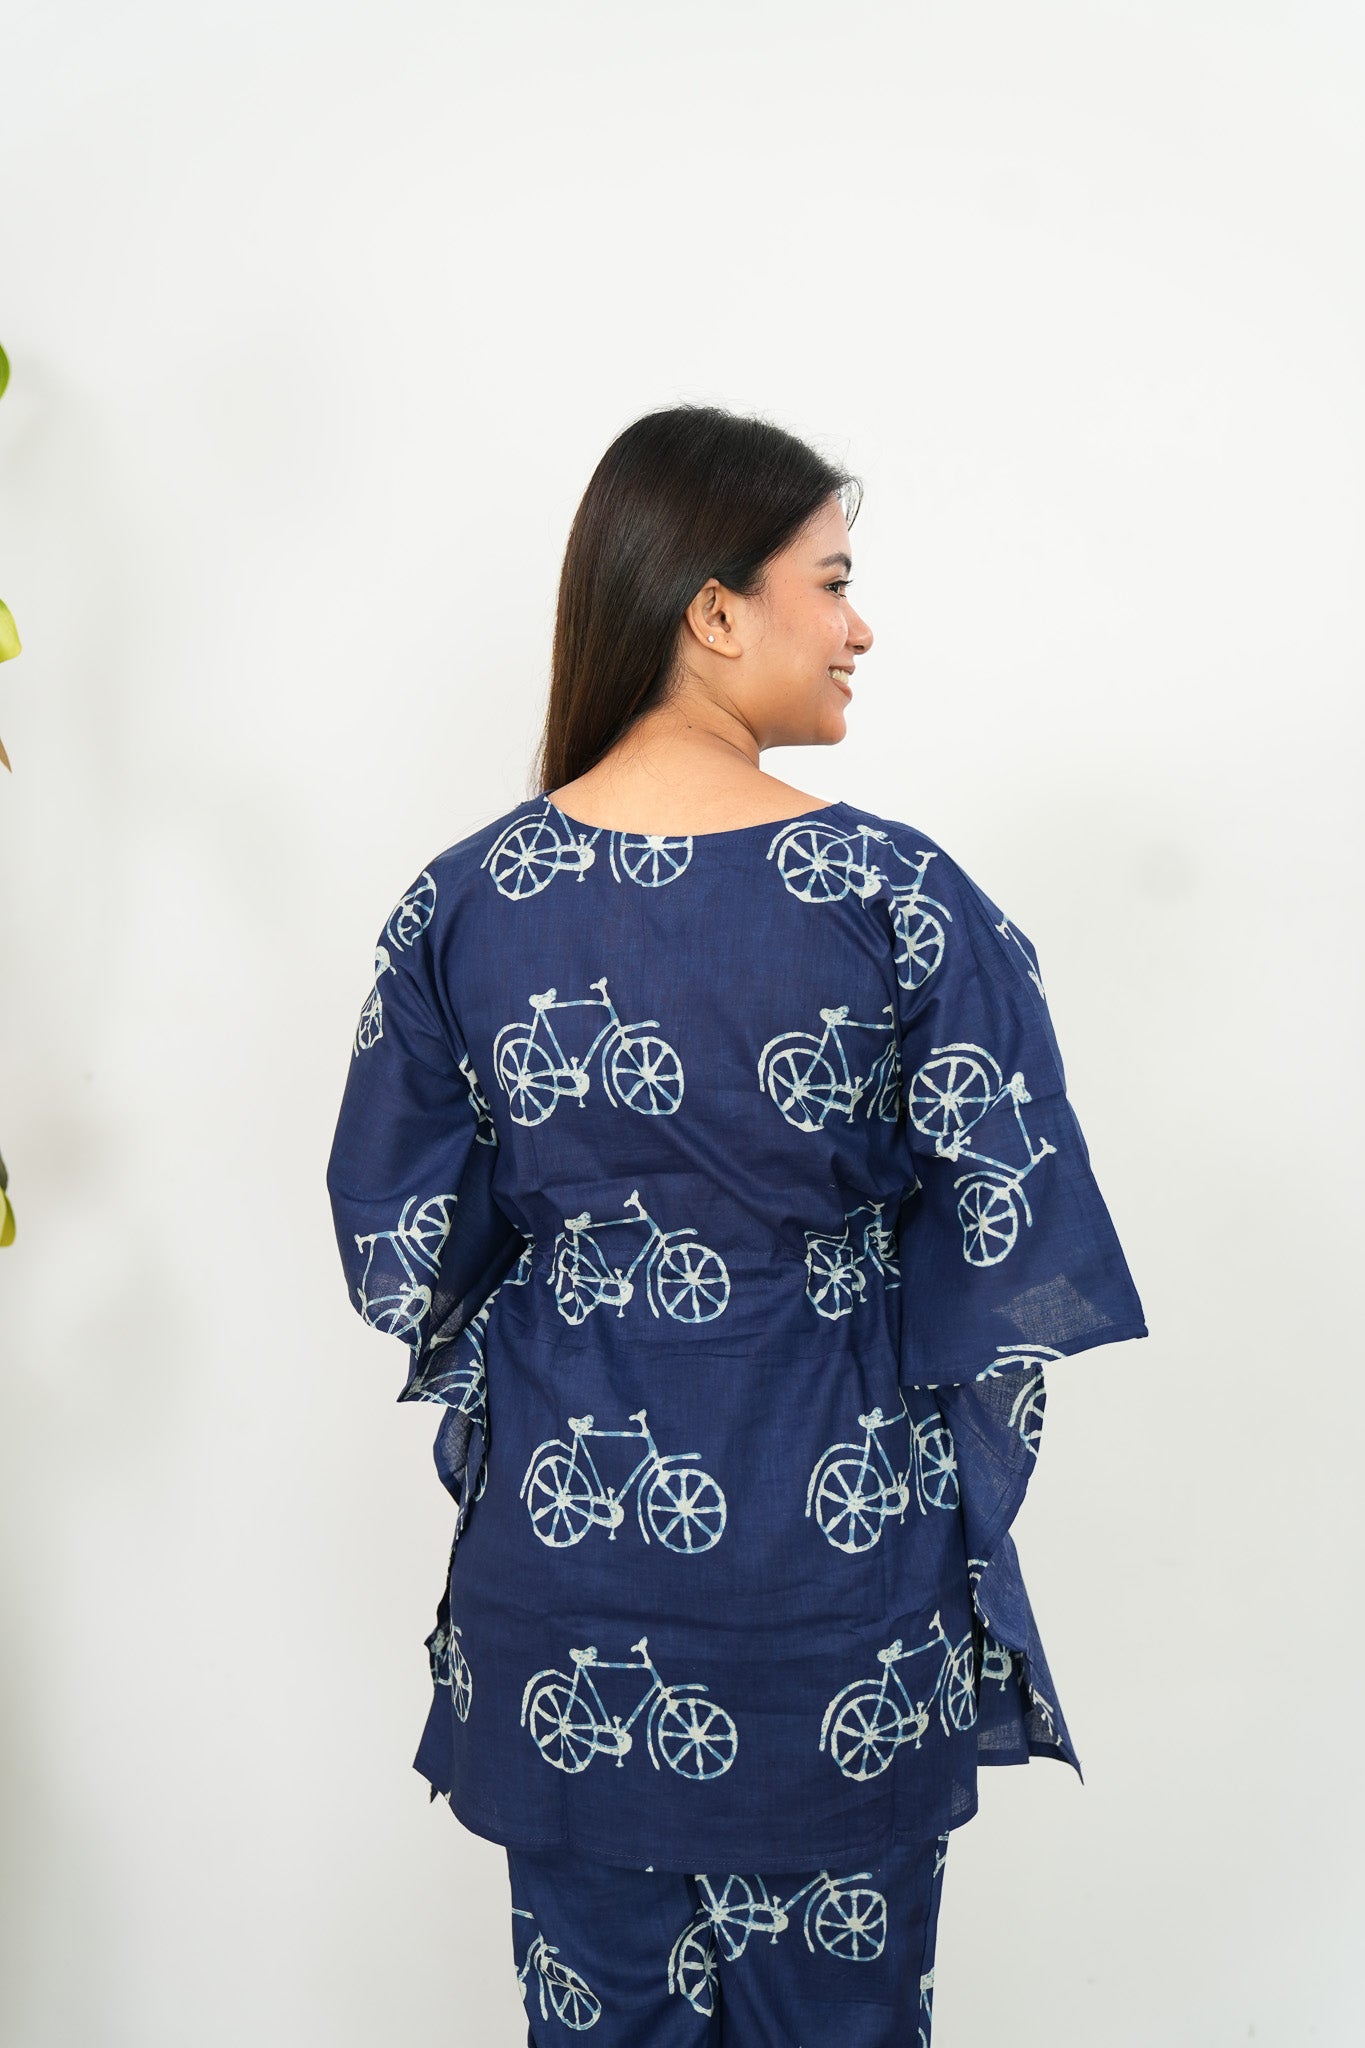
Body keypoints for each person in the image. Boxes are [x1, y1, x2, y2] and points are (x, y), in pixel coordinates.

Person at [325, 405, 1148, 2045]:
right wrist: (835, 1276)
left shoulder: (463, 903)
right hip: (835, 1602)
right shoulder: (896, 896)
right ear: (713, 610)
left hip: (562, 1594)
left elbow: (400, 1250)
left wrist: (578, 1285)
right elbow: (1012, 1229)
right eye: (830, 583)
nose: (859, 627)